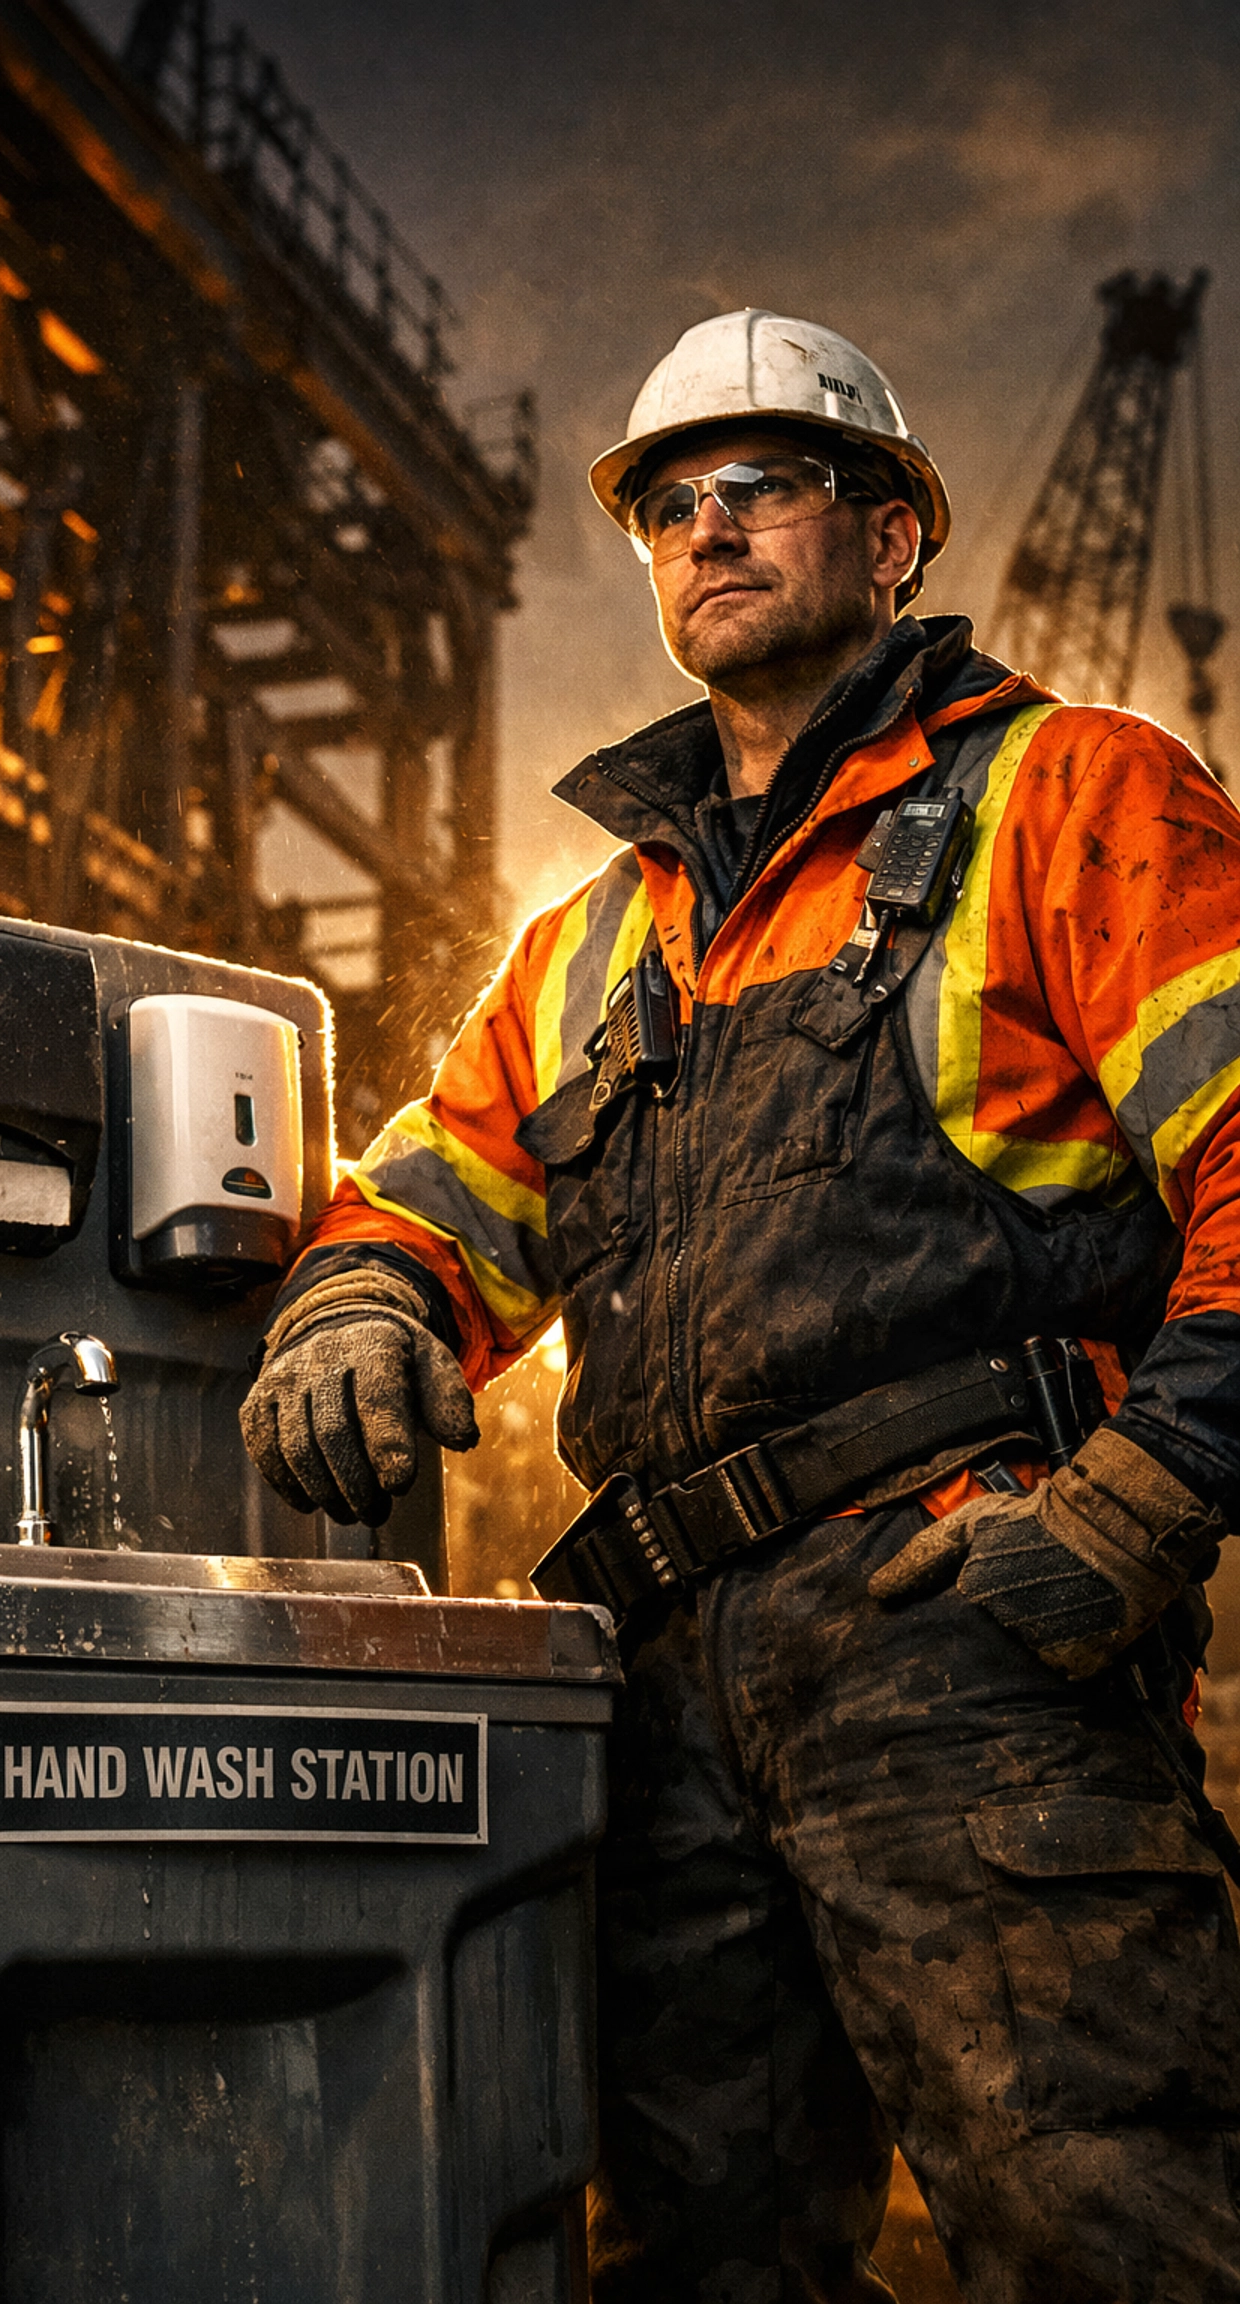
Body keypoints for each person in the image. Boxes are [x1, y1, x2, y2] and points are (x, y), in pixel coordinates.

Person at [240, 308, 1240, 2303]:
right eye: (671, 506)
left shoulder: (1075, 795)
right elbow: (432, 1198)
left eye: (763, 486)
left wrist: (1145, 1492)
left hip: (962, 1633)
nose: (708, 531)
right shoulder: (595, 942)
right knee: (695, 2259)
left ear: (892, 537)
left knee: (1100, 2224)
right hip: (660, 1685)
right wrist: (353, 1301)